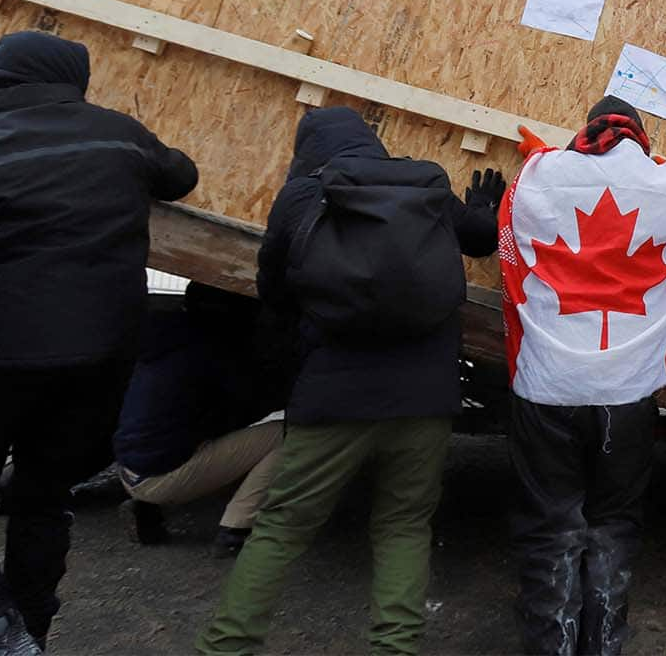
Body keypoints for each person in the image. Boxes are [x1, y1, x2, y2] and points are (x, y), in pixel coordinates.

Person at [0, 30, 198, 655]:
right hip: (105, 357)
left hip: (0, 357)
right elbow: (181, 175)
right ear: (74, 81)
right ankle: (29, 631)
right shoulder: (121, 137)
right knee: (44, 494)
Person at [197, 107, 500, 655]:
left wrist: (296, 361)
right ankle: (394, 647)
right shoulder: (426, 182)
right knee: (404, 525)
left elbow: (275, 293)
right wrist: (483, 207)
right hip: (425, 395)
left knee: (282, 526)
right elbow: (481, 239)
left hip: (333, 391)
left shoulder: (302, 197)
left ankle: (227, 647)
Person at [499, 97, 666, 656]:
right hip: (625, 394)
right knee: (614, 524)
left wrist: (539, 155)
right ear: (640, 136)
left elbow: (510, 219)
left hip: (546, 385)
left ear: (587, 130)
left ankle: (550, 645)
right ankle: (602, 645)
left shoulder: (539, 174)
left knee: (549, 527)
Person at [113, 282, 294, 556]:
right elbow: (253, 402)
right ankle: (236, 529)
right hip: (160, 474)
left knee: (198, 430)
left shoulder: (166, 337)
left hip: (129, 468)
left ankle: (149, 507)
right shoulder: (213, 351)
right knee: (288, 433)